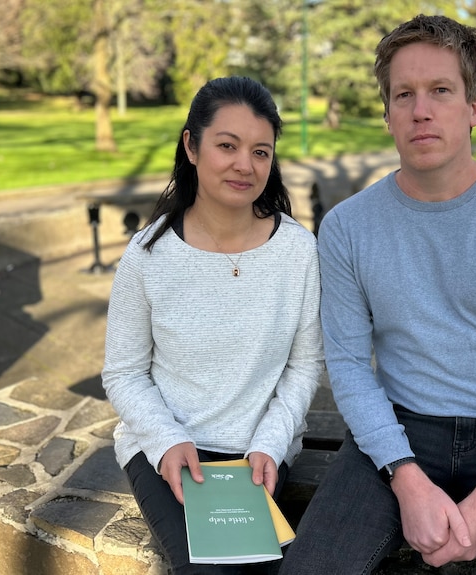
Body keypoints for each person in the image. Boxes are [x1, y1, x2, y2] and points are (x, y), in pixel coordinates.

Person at [280, 15, 476, 575]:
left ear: (474, 107)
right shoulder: (348, 227)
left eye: (440, 91)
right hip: (398, 431)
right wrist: (406, 478)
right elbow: (348, 365)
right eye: (404, 95)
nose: (421, 110)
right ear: (388, 115)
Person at [102, 76, 324, 575]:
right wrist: (166, 441)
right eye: (227, 145)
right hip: (169, 445)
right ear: (192, 145)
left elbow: (304, 364)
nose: (245, 165)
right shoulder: (147, 255)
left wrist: (270, 442)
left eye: (261, 151)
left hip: (257, 451)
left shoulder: (297, 251)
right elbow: (123, 373)